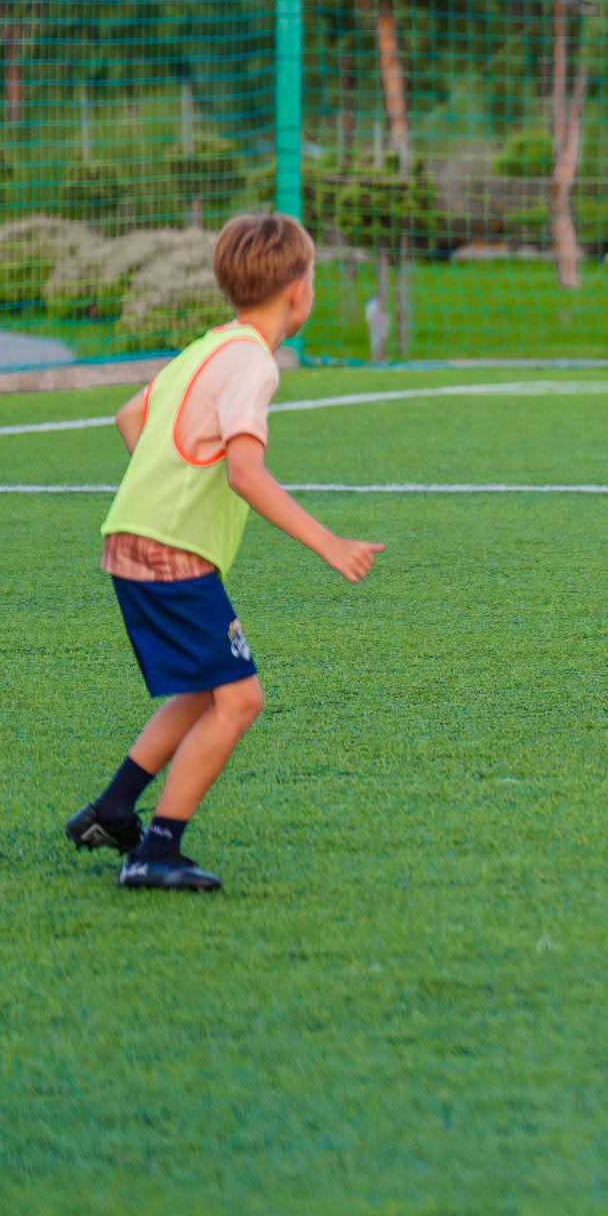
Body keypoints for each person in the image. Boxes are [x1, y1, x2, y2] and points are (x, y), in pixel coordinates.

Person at [62, 214, 384, 890]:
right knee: (240, 700)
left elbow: (130, 417)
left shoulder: (209, 346)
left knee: (203, 687)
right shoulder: (254, 366)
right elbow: (244, 471)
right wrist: (331, 544)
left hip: (132, 538)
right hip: (170, 553)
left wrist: (167, 492)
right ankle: (155, 849)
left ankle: (113, 808)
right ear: (299, 291)